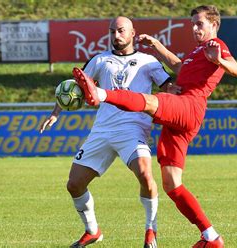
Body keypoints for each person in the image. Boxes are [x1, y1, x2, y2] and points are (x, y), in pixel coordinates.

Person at [72, 5, 237, 248]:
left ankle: (100, 93)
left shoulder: (216, 45)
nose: (194, 28)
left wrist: (221, 60)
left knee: (151, 101)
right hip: (181, 120)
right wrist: (157, 46)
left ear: (214, 25)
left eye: (200, 24)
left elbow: (236, 69)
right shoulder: (197, 52)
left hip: (189, 106)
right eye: (192, 23)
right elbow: (179, 67)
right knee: (172, 184)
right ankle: (211, 237)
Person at [40, 16, 175, 248]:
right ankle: (92, 231)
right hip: (102, 130)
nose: (116, 36)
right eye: (112, 31)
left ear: (133, 33)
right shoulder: (100, 60)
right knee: (74, 185)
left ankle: (151, 230)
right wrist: (56, 113)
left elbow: (169, 88)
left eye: (121, 31)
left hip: (133, 129)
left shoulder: (148, 61)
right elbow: (74, 87)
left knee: (145, 175)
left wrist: (186, 102)